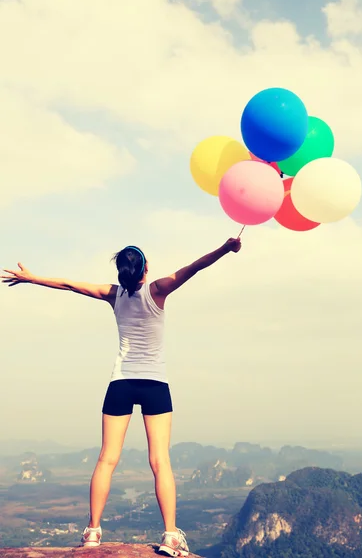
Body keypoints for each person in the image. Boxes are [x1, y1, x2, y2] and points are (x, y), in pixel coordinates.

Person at [1, 237, 242, 555]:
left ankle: (92, 533)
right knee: (160, 461)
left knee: (106, 458)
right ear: (145, 270)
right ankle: (170, 535)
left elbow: (70, 284)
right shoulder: (158, 290)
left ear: (122, 274)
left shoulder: (113, 295)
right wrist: (226, 248)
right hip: (155, 384)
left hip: (122, 383)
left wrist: (33, 278)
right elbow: (196, 266)